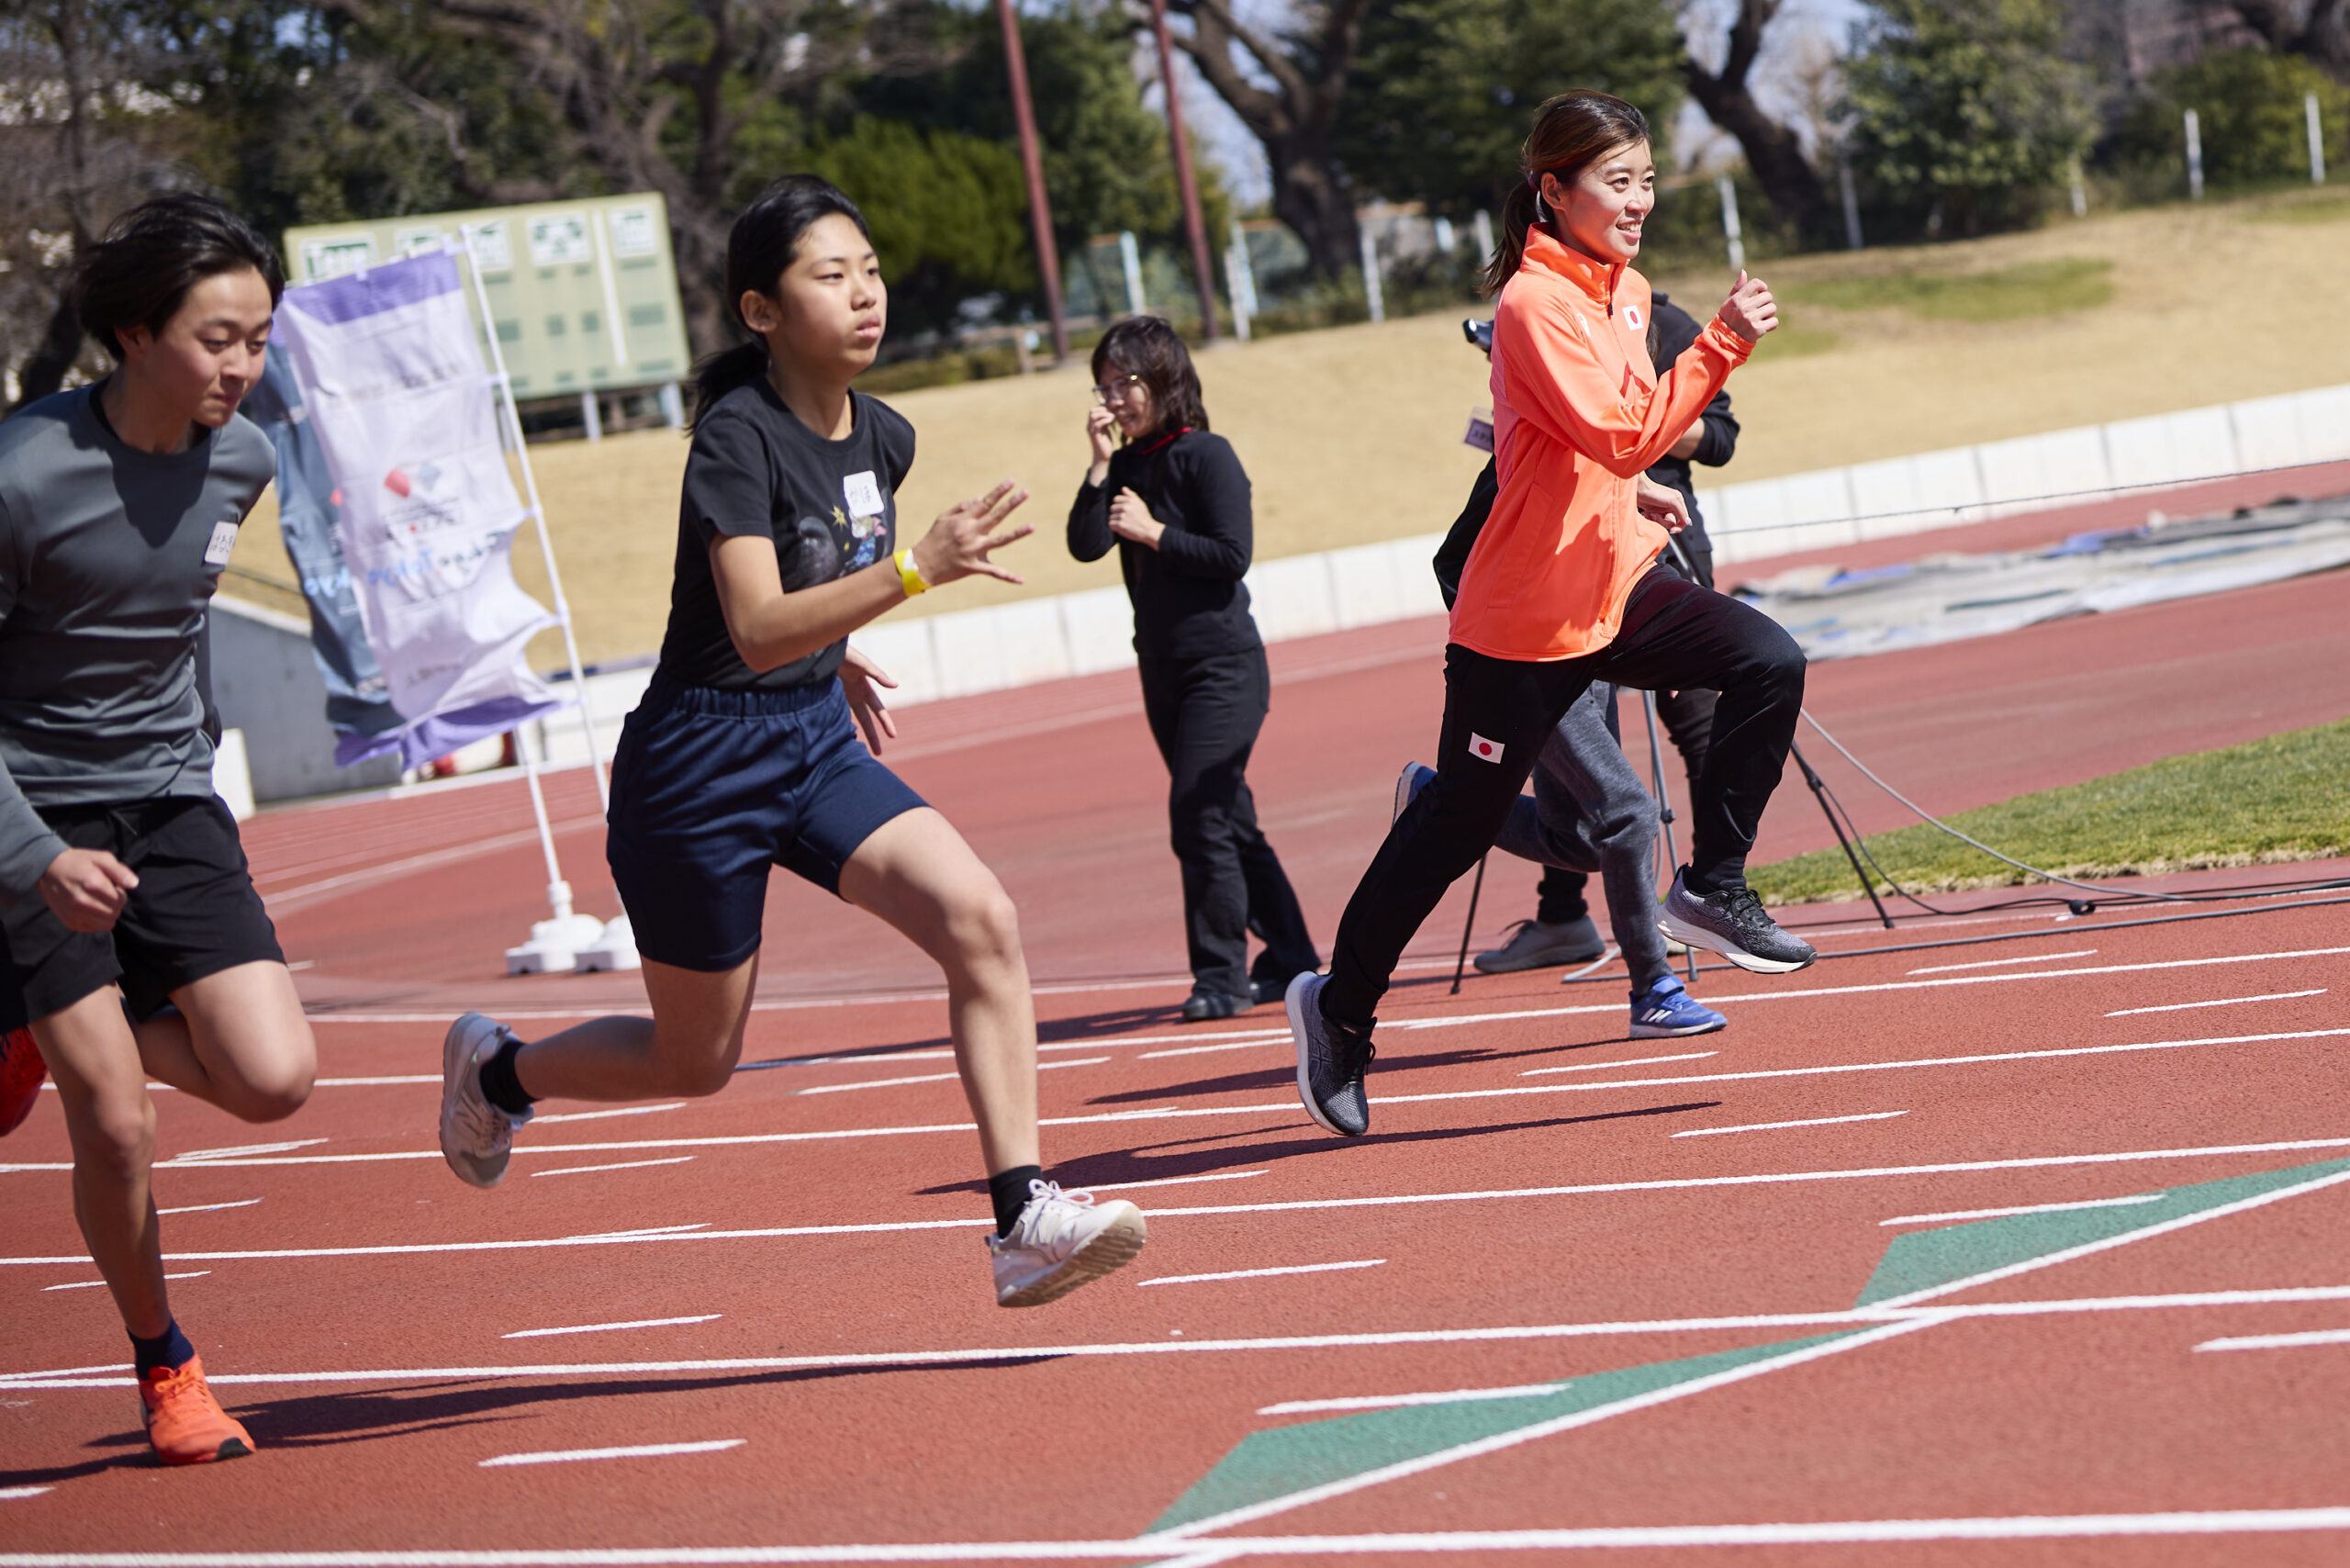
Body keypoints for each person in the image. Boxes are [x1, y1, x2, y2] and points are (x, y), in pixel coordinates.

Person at [436, 175, 1146, 1307]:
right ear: (761, 310)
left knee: (981, 920)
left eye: (869, 272)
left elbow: (803, 593)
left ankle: (1023, 1217)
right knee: (695, 1061)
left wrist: (844, 641)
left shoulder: (884, 433)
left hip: (809, 741)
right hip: (694, 769)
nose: (864, 296)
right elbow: (757, 626)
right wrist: (909, 571)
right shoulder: (735, 437)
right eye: (832, 276)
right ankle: (500, 1069)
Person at [1287, 90, 1815, 1139]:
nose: (1638, 202)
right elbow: (1621, 434)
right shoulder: (1534, 305)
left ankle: (1712, 880)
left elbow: (1601, 452)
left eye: (1647, 180)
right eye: (1617, 182)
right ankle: (1339, 1011)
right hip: (1523, 619)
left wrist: (1634, 493)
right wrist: (1716, 347)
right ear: (1553, 189)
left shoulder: (1623, 291)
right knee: (1456, 828)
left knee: (1767, 655)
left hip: (1613, 581)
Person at [0, 195, 317, 1462]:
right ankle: (166, 1366)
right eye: (216, 338)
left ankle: (35, 1029)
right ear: (132, 333)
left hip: (169, 799)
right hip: (28, 812)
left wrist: (187, 762)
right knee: (116, 1115)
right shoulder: (22, 475)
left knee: (273, 1078)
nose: (241, 366)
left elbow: (174, 629)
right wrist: (31, 857)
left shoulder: (240, 459)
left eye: (258, 338)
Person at [1448, 289, 1738, 976]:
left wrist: (1639, 427)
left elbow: (1719, 439)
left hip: (1659, 542)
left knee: (1696, 724)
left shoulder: (1664, 322)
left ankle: (1710, 890)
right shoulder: (1544, 312)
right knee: (1589, 777)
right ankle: (1564, 916)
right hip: (1560, 552)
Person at [1068, 318, 1318, 1023]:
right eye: (1104, 385)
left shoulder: (1207, 455)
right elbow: (1085, 544)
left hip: (1225, 666)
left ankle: (1219, 974)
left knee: (1198, 811)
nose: (1113, 398)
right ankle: (1293, 954)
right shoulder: (1123, 466)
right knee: (1227, 816)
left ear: (1163, 380)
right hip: (1162, 666)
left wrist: (1155, 534)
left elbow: (1231, 555)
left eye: (1126, 383)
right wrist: (1095, 463)